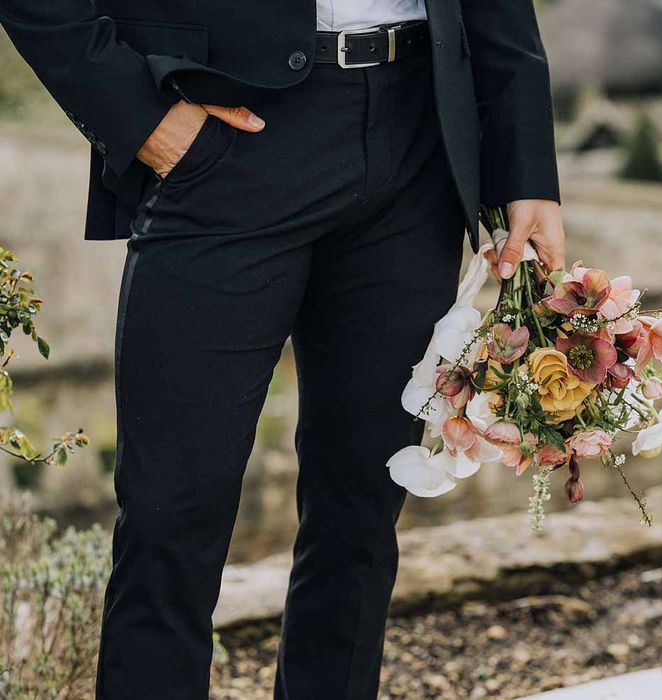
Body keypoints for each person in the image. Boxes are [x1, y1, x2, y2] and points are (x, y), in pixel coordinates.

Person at [0, 1, 565, 697]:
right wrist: (140, 115)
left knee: (361, 510)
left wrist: (526, 162)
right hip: (227, 138)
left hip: (418, 140)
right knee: (170, 519)